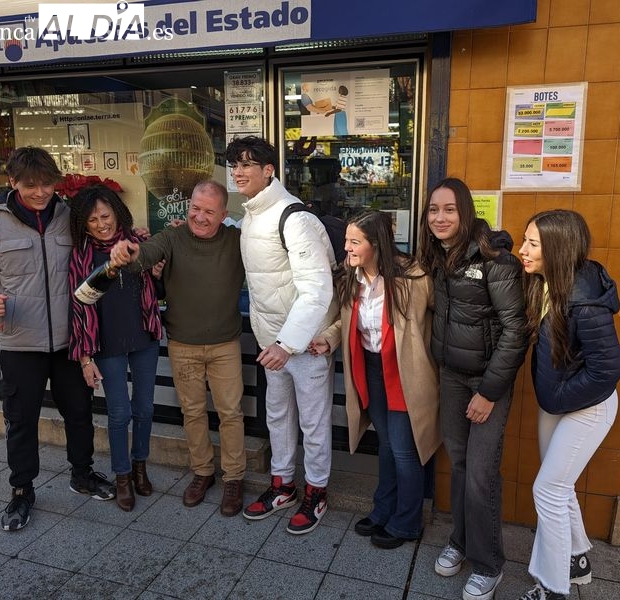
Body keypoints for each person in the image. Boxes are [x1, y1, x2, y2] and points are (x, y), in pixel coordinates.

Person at [0, 147, 115, 532]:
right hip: (19, 343)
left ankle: (82, 473)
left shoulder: (69, 216)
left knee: (79, 413)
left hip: (69, 342)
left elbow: (99, 247)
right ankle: (21, 490)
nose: (41, 192)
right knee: (20, 420)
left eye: (47, 183)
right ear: (13, 182)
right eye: (31, 185)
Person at [417, 177, 527, 600]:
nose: (440, 217)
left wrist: (489, 392)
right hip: (452, 375)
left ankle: (488, 564)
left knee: (481, 474)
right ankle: (460, 542)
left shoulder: (495, 260)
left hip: (486, 383)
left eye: (449, 209)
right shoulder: (439, 256)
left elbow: (516, 331)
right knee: (460, 465)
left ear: (465, 212)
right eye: (433, 210)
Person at [109, 179, 247, 517]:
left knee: (230, 413)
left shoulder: (237, 240)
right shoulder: (172, 237)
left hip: (225, 343)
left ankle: (234, 477)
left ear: (224, 215)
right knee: (193, 412)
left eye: (209, 212)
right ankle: (203, 472)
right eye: (195, 208)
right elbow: (146, 254)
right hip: (183, 343)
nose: (199, 216)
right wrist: (128, 251)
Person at [225, 135, 337, 535]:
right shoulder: (252, 215)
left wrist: (286, 343)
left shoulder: (295, 218)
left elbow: (317, 290)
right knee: (278, 416)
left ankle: (316, 492)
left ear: (268, 170)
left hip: (303, 345)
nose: (238, 172)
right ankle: (283, 485)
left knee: (313, 423)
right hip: (272, 343)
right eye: (234, 165)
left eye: (246, 165)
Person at [310, 210, 439, 548]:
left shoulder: (413, 277)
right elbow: (347, 320)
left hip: (405, 372)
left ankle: (408, 522)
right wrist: (329, 338)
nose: (347, 248)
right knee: (386, 443)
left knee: (404, 449)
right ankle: (383, 509)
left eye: (355, 242)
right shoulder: (351, 277)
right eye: (347, 240)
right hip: (370, 368)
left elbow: (440, 318)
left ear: (376, 244)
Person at [517, 210, 620, 600]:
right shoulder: (545, 283)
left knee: (548, 490)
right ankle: (575, 560)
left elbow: (606, 370)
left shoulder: (584, 299)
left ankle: (552, 587)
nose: (522, 250)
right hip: (559, 401)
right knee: (559, 487)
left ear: (558, 249)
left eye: (532, 244)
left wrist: (558, 399)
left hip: (587, 407)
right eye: (524, 240)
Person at [68, 184, 163, 512]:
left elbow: (158, 288)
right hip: (106, 342)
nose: (101, 224)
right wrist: (85, 358)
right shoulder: (81, 255)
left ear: (118, 214)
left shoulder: (137, 244)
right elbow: (78, 307)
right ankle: (122, 476)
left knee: (145, 408)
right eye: (93, 219)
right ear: (83, 223)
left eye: (106, 216)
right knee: (119, 413)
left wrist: (157, 270)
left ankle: (140, 467)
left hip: (144, 337)